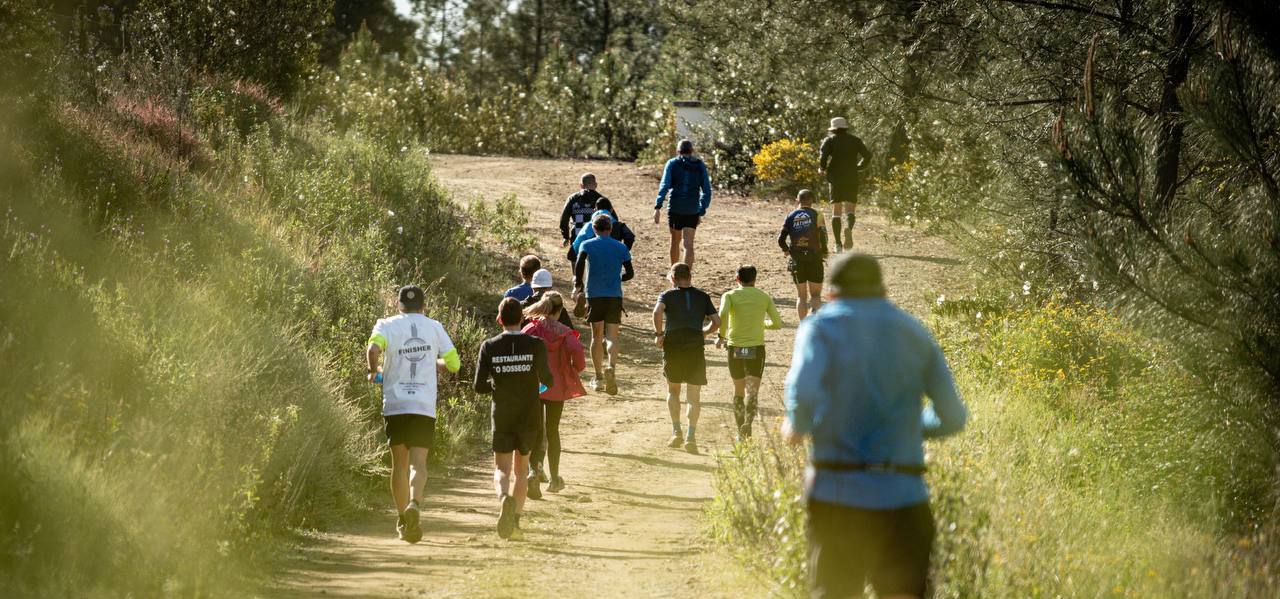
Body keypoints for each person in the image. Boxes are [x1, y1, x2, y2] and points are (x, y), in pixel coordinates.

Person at [782, 254, 967, 599]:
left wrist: (798, 423)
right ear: (884, 290)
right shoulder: (914, 331)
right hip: (904, 496)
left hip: (837, 493)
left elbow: (803, 389)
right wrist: (909, 427)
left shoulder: (820, 328)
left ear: (833, 294)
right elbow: (953, 416)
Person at [365, 285, 462, 544]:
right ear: (424, 305)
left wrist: (373, 371)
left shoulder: (386, 325)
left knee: (399, 464)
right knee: (418, 463)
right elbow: (454, 364)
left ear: (399, 305)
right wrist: (434, 363)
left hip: (395, 404)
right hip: (422, 404)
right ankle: (415, 503)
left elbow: (373, 350)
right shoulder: (434, 327)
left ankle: (401, 518)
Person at [473, 297, 554, 540]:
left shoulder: (489, 346)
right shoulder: (536, 344)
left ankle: (503, 498)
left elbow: (479, 387)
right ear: (522, 318)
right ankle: (515, 523)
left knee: (501, 469)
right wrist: (533, 388)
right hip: (529, 414)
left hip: (503, 414)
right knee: (521, 471)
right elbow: (549, 380)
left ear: (499, 320)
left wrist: (498, 386)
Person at [652, 262, 720, 454]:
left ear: (673, 278)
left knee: (673, 390)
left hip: (673, 345)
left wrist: (659, 334)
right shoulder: (702, 296)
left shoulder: (667, 295)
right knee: (693, 396)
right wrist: (704, 333)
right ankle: (691, 435)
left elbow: (657, 312)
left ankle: (676, 431)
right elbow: (717, 321)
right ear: (690, 276)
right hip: (695, 346)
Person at [522, 292, 586, 493]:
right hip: (556, 387)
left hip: (534, 386)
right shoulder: (565, 332)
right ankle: (555, 479)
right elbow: (579, 358)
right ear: (559, 311)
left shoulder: (531, 329)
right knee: (552, 431)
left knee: (536, 430)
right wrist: (572, 369)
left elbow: (519, 346)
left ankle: (534, 470)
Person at [714, 265, 783, 440]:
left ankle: (739, 432)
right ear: (755, 279)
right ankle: (748, 425)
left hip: (735, 347)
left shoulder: (729, 296)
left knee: (738, 390)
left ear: (737, 279)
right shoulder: (764, 297)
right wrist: (761, 325)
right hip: (756, 349)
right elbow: (777, 323)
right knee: (752, 391)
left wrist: (721, 336)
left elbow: (722, 315)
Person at [574, 214, 635, 396]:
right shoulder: (621, 246)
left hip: (594, 295)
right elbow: (630, 273)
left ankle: (599, 377)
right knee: (612, 337)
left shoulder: (587, 244)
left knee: (596, 336)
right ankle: (612, 367)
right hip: (614, 296)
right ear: (610, 229)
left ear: (594, 229)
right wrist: (620, 278)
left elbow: (579, 264)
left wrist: (579, 284)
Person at [653, 139, 712, 269]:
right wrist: (701, 210)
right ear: (691, 151)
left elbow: (665, 185)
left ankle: (675, 276)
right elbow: (707, 191)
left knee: (675, 241)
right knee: (688, 244)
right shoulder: (699, 165)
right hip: (692, 209)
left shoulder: (672, 163)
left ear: (678, 151)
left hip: (675, 208)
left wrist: (658, 206)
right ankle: (686, 277)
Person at [819, 117, 873, 252]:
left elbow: (823, 157)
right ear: (845, 128)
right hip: (851, 177)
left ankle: (838, 244)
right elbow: (867, 155)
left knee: (836, 211)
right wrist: (859, 167)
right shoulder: (855, 141)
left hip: (835, 178)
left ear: (833, 129)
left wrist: (822, 168)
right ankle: (848, 228)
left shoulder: (829, 140)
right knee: (850, 209)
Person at [778, 189, 830, 319]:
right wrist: (824, 251)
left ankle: (803, 326)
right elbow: (823, 235)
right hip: (815, 258)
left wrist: (786, 250)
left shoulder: (790, 216)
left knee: (801, 296)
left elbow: (781, 239)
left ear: (797, 200)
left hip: (797, 259)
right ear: (812, 201)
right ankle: (813, 322)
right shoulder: (818, 214)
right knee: (816, 296)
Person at [560, 173, 606, 256]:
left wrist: (566, 236)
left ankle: (575, 269)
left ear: (581, 185)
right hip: (596, 236)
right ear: (596, 185)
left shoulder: (573, 198)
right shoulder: (601, 200)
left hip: (577, 234)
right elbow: (612, 218)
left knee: (575, 259)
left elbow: (564, 219)